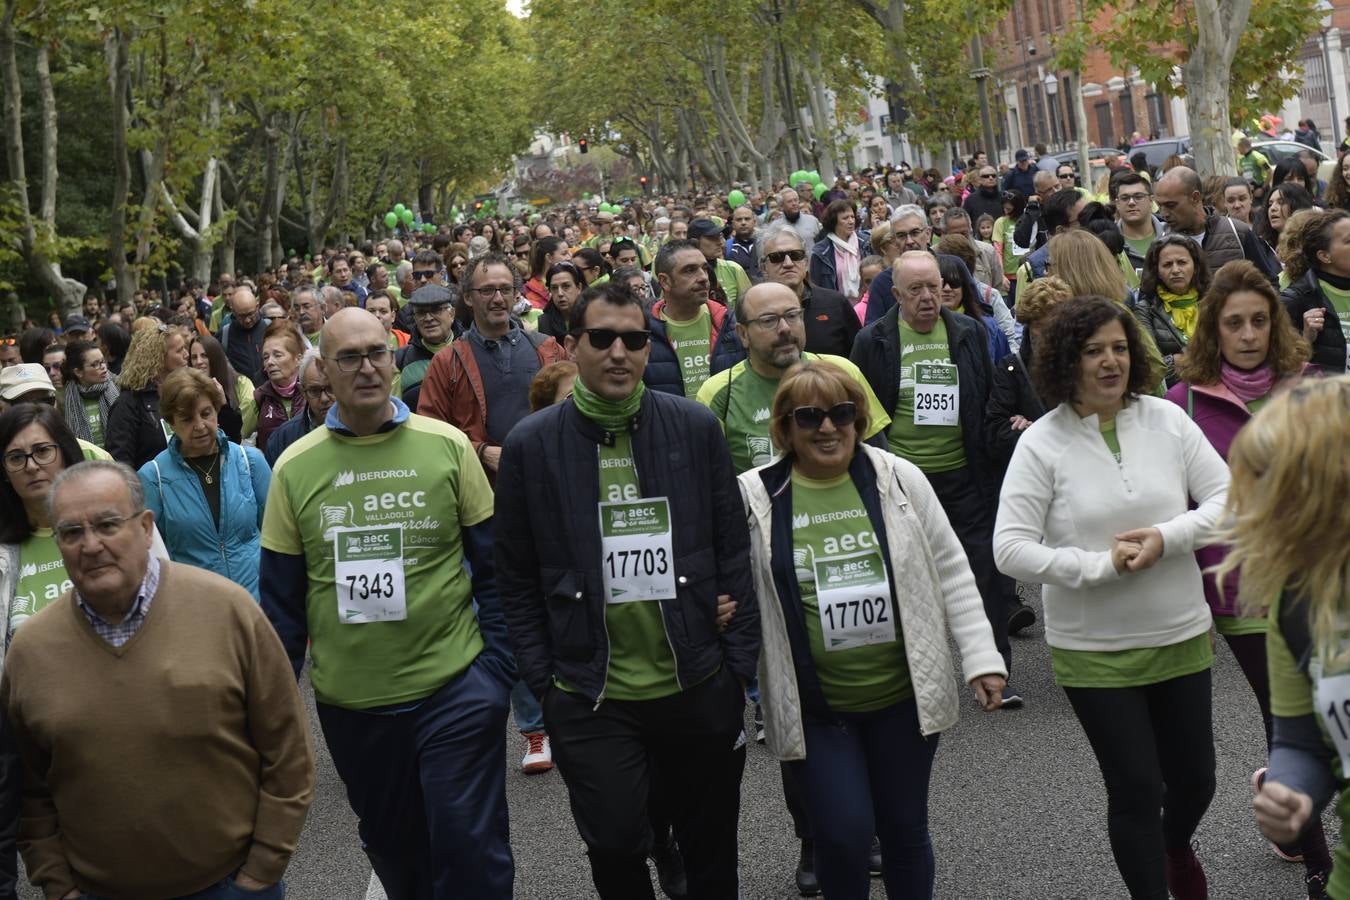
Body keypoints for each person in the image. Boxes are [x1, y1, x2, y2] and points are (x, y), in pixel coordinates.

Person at [495, 280, 758, 900]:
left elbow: (732, 548)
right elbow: (514, 575)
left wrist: (735, 665)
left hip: (696, 681)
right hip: (589, 692)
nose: (619, 352)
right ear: (571, 345)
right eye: (603, 338)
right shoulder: (532, 446)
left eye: (634, 339)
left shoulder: (693, 427)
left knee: (710, 853)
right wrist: (545, 683)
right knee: (615, 845)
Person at [260, 308, 514, 898]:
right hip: (355, 707)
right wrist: (272, 717)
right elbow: (282, 607)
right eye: (349, 357)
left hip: (454, 690)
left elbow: (496, 571)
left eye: (377, 352)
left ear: (393, 361)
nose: (367, 367)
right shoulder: (293, 468)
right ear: (322, 369)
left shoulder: (447, 446)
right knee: (397, 851)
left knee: (468, 847)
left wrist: (496, 671)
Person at [993, 296, 1229, 900]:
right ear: (1066, 360)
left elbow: (1229, 500)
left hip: (1178, 632)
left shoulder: (1167, 420)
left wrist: (1166, 537)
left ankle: (1174, 846)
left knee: (1196, 781)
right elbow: (1010, 549)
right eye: (1093, 350)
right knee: (1135, 788)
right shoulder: (1041, 443)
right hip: (1093, 650)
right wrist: (1098, 567)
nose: (1109, 362)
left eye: (1119, 348)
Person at [742, 360, 1006, 899]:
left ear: (858, 418)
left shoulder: (898, 478)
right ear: (785, 428)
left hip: (901, 699)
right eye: (809, 416)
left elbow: (952, 566)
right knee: (843, 834)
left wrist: (982, 656)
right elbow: (734, 587)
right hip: (816, 709)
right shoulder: (753, 495)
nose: (827, 428)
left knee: (905, 830)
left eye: (841, 412)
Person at [1, 459, 313, 900]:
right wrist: (58, 883)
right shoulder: (30, 650)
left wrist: (263, 869)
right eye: (71, 533)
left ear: (146, 528)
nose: (91, 545)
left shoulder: (227, 610)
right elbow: (31, 790)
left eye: (108, 524)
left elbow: (288, 750)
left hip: (229, 886)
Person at [1160, 261, 1328, 894]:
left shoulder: (1312, 387)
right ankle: (1320, 865)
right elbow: (1174, 509)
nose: (1250, 334)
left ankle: (1283, 798)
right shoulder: (1184, 406)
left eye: (1260, 320)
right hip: (1242, 589)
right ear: (1214, 331)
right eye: (1235, 324)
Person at [851, 251, 1018, 706]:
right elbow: (861, 412)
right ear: (898, 294)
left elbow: (986, 396)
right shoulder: (874, 340)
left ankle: (995, 665)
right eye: (917, 290)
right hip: (903, 480)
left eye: (936, 286)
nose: (929, 297)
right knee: (904, 575)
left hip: (964, 473)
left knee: (983, 568)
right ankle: (910, 674)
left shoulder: (968, 332)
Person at [1224, 377, 1350, 900]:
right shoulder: (1296, 602)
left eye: (1271, 491)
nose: (1254, 514)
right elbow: (1303, 742)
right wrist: (1292, 791)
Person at [697, 282, 889, 474]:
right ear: (743, 334)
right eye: (768, 320)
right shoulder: (718, 392)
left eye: (792, 316)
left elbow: (878, 457)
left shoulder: (842, 371)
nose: (785, 328)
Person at [417, 252, 568, 486]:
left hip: (547, 483)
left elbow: (575, 415)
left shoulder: (549, 350)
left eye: (505, 289)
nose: (498, 298)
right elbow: (432, 432)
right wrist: (481, 452)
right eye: (487, 290)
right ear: (468, 297)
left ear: (516, 294)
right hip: (483, 491)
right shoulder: (448, 362)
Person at [139, 367, 271, 602]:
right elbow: (147, 557)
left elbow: (277, 538)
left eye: (206, 413)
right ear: (171, 422)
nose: (199, 425)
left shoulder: (251, 463)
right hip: (196, 608)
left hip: (256, 602)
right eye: (187, 419)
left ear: (217, 410)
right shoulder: (153, 477)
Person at [1047, 229, 1167, 393]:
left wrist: (1115, 400)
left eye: (1051, 265)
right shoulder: (1060, 314)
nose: (1047, 273)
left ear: (1073, 270)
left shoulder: (1114, 312)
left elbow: (1155, 367)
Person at [1153, 166, 1280, 281]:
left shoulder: (1238, 232)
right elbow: (1148, 297)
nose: (1164, 213)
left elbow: (1269, 282)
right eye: (1160, 206)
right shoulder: (1161, 242)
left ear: (1195, 198)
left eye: (1171, 205)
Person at [759, 226, 859, 357]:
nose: (788, 263)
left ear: (806, 263)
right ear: (763, 267)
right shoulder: (754, 311)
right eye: (777, 257)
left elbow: (860, 359)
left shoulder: (835, 304)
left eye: (795, 255)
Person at [1133, 234, 1214, 387]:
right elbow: (1150, 369)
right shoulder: (1145, 310)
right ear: (1156, 271)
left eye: (1182, 262)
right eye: (1167, 264)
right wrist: (1200, 360)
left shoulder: (1213, 303)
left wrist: (1180, 360)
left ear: (1196, 267)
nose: (1175, 270)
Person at [105, 323, 189, 470]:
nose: (186, 354)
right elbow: (121, 463)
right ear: (159, 357)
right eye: (180, 350)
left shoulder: (185, 391)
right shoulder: (127, 405)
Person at [1281, 208, 1350, 373]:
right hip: (1325, 396)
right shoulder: (1295, 301)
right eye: (1349, 240)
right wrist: (1306, 339)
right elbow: (1279, 368)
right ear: (1325, 256)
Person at [264, 348, 333, 466]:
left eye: (331, 388)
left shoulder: (363, 428)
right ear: (302, 392)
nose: (324, 399)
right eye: (314, 391)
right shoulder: (283, 438)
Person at [395, 283, 458, 409]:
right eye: (421, 313)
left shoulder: (471, 350)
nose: (428, 318)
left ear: (451, 314)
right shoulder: (400, 360)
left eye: (436, 310)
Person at [189, 332, 258, 443]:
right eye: (194, 357)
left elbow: (243, 428)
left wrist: (223, 406)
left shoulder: (241, 383)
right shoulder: (188, 388)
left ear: (215, 357)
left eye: (204, 355)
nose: (199, 362)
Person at [253, 320, 307, 455]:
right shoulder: (258, 397)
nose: (270, 362)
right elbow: (236, 436)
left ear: (298, 359)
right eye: (266, 357)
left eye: (277, 355)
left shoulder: (314, 392)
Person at [58, 340, 118, 451]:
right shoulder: (64, 399)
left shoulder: (118, 386)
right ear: (78, 372)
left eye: (103, 361)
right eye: (95, 364)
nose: (103, 367)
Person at [809, 200, 870, 303]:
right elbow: (816, 288)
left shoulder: (866, 243)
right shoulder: (821, 252)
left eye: (852, 217)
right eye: (845, 218)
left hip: (866, 305)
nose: (851, 221)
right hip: (837, 308)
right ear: (834, 221)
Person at [218, 286, 270, 385]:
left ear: (257, 307)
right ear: (233, 311)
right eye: (241, 316)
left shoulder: (270, 328)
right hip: (240, 395)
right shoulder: (225, 335)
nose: (247, 320)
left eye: (251, 314)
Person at [538, 260, 587, 340]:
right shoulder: (543, 323)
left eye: (566, 286)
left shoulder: (592, 317)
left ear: (579, 288)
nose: (560, 293)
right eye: (554, 288)